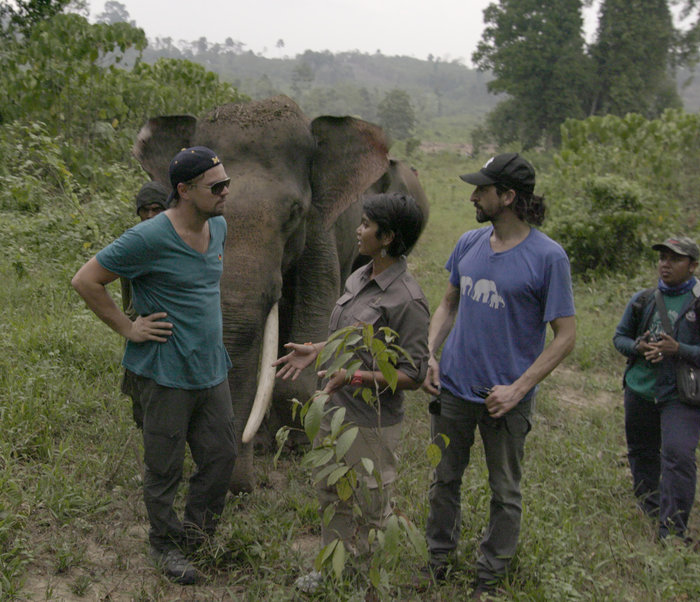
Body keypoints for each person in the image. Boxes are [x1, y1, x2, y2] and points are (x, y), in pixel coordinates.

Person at [71, 147, 237, 585]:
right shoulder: (148, 237)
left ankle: (198, 536)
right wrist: (128, 328)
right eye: (215, 186)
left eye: (226, 184)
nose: (225, 192)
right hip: (165, 373)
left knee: (222, 456)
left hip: (211, 369)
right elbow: (86, 280)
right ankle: (164, 543)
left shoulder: (217, 227)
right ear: (183, 191)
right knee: (164, 467)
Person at [421, 153, 576, 597]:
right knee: (443, 479)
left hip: (504, 398)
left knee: (505, 491)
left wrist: (519, 388)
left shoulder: (548, 257)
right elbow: (448, 303)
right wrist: (431, 354)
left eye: (482, 189)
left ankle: (489, 576)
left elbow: (565, 336)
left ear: (508, 197)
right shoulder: (469, 242)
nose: (473, 195)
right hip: (453, 388)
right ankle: (437, 560)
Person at [273, 192, 430, 559]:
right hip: (335, 411)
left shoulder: (407, 299)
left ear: (387, 237)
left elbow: (415, 374)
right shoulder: (360, 275)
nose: (358, 231)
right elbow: (349, 340)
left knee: (369, 501)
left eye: (365, 225)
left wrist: (355, 377)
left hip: (371, 422)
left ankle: (366, 581)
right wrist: (317, 350)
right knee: (332, 491)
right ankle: (334, 569)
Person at [613, 236, 700, 543]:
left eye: (675, 259)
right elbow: (620, 338)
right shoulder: (643, 299)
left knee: (678, 457)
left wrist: (678, 349)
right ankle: (652, 512)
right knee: (642, 453)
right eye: (662, 258)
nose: (665, 264)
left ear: (693, 265)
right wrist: (639, 348)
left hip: (683, 394)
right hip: (640, 388)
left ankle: (673, 533)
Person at [120, 181, 169, 429]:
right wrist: (129, 324)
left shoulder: (178, 238)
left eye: (157, 209)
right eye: (145, 210)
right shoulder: (133, 242)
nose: (150, 215)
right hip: (141, 324)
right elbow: (125, 290)